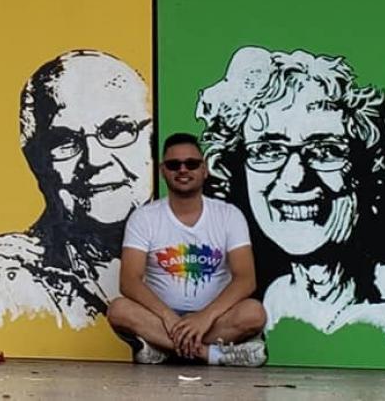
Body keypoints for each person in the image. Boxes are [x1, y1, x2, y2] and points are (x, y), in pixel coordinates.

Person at [194, 46, 385, 340]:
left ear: (368, 168)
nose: (295, 179)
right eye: (268, 150)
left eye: (326, 150)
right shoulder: (274, 301)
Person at [0, 50, 154, 330]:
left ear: (151, 137)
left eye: (116, 131)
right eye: (64, 141)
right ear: (37, 162)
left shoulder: (196, 247)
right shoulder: (10, 276)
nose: (95, 159)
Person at [107, 133, 267, 366]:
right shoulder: (144, 217)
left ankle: (161, 347)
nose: (183, 170)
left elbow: (246, 279)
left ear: (204, 169)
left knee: (254, 313)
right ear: (163, 171)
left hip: (215, 319)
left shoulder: (229, 215)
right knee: (118, 310)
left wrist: (204, 317)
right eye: (174, 165)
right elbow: (129, 281)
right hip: (161, 319)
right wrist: (168, 316)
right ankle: (210, 354)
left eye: (191, 163)